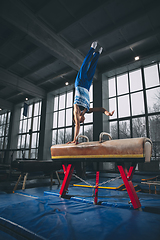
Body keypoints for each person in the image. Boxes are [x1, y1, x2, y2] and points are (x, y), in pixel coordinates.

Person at [68, 41, 115, 144]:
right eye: (82, 121)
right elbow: (100, 109)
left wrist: (75, 139)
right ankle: (97, 54)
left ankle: (92, 49)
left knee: (84, 66)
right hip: (87, 86)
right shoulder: (87, 110)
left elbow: (77, 125)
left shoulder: (76, 110)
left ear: (77, 118)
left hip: (79, 83)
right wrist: (107, 113)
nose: (83, 120)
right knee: (92, 69)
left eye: (81, 120)